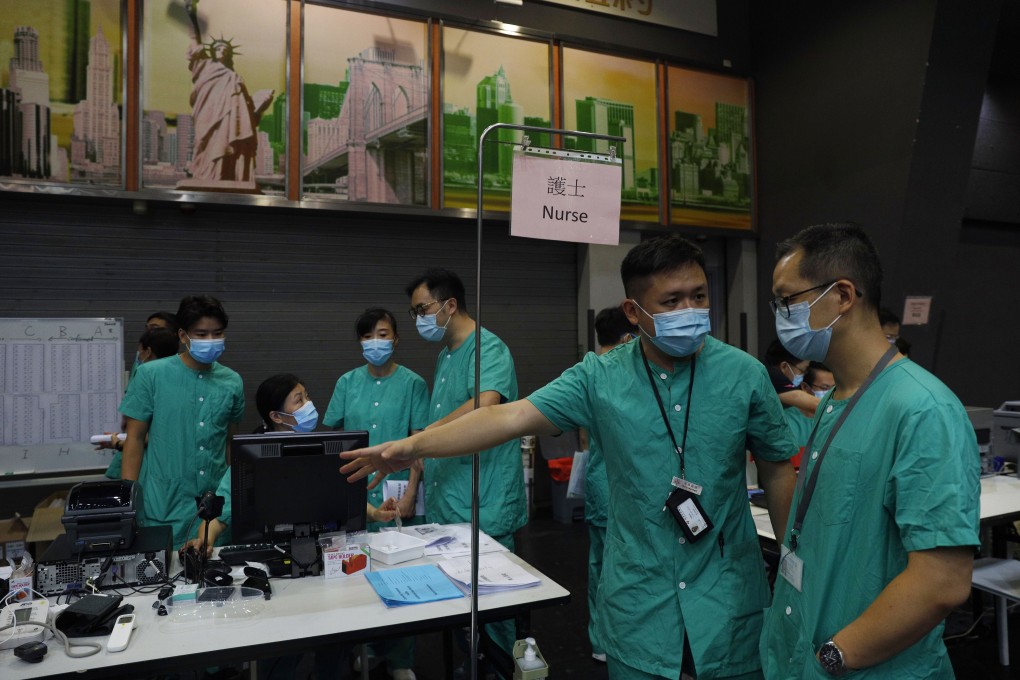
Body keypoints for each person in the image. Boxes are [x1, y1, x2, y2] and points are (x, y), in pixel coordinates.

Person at [344, 236, 798, 680]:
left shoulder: (744, 374)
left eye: (699, 296)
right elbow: (508, 416)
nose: (690, 312)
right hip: (641, 604)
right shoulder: (599, 377)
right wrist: (412, 447)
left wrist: (796, 572)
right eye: (671, 301)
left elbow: (777, 468)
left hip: (729, 601)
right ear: (633, 312)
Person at [761, 222, 979, 678]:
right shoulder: (834, 400)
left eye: (787, 300)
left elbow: (941, 582)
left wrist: (835, 656)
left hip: (862, 665)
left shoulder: (922, 408)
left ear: (842, 296)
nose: (779, 315)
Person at [404, 268, 527, 662]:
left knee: (496, 614)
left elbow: (484, 406)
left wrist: (425, 435)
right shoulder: (445, 355)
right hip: (449, 504)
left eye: (422, 309)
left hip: (483, 502)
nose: (418, 319)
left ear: (449, 304)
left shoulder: (487, 348)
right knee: (463, 617)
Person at [323, 308, 428, 680]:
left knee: (402, 572)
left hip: (398, 493)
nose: (375, 343)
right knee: (358, 572)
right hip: (357, 493)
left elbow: (420, 445)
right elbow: (332, 437)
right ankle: (367, 648)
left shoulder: (413, 383)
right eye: (368, 337)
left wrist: (412, 493)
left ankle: (401, 658)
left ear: (396, 338)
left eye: (383, 335)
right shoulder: (347, 382)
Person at [186, 373, 399, 555]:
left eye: (307, 397)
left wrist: (376, 514)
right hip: (267, 558)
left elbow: (347, 500)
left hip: (323, 554)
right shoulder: (250, 460)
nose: (309, 404)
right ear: (276, 416)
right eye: (299, 400)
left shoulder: (327, 451)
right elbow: (222, 516)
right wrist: (205, 538)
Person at [119, 294, 245, 549]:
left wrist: (234, 503)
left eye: (217, 333)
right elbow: (133, 440)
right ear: (182, 336)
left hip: (215, 511)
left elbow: (230, 444)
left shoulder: (232, 381)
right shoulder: (150, 375)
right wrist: (127, 506)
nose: (210, 340)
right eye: (201, 334)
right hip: (163, 508)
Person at [584, 306, 637, 664]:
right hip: (613, 489)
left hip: (601, 484)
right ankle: (609, 638)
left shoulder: (589, 372)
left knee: (599, 565)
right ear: (628, 339)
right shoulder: (615, 374)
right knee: (613, 568)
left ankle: (600, 638)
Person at [183, 0, 272, 185]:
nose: (221, 50)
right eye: (217, 48)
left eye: (225, 49)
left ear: (230, 54)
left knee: (227, 147)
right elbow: (194, 40)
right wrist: (191, 12)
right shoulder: (204, 66)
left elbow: (248, 120)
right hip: (208, 118)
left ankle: (224, 177)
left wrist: (262, 107)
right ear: (212, 52)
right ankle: (207, 176)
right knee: (207, 146)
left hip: (230, 124)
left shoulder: (236, 78)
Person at [103, 326, 181, 479]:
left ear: (148, 351)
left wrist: (119, 443)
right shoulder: (182, 379)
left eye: (140, 350)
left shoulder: (145, 375)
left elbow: (146, 436)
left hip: (151, 468)